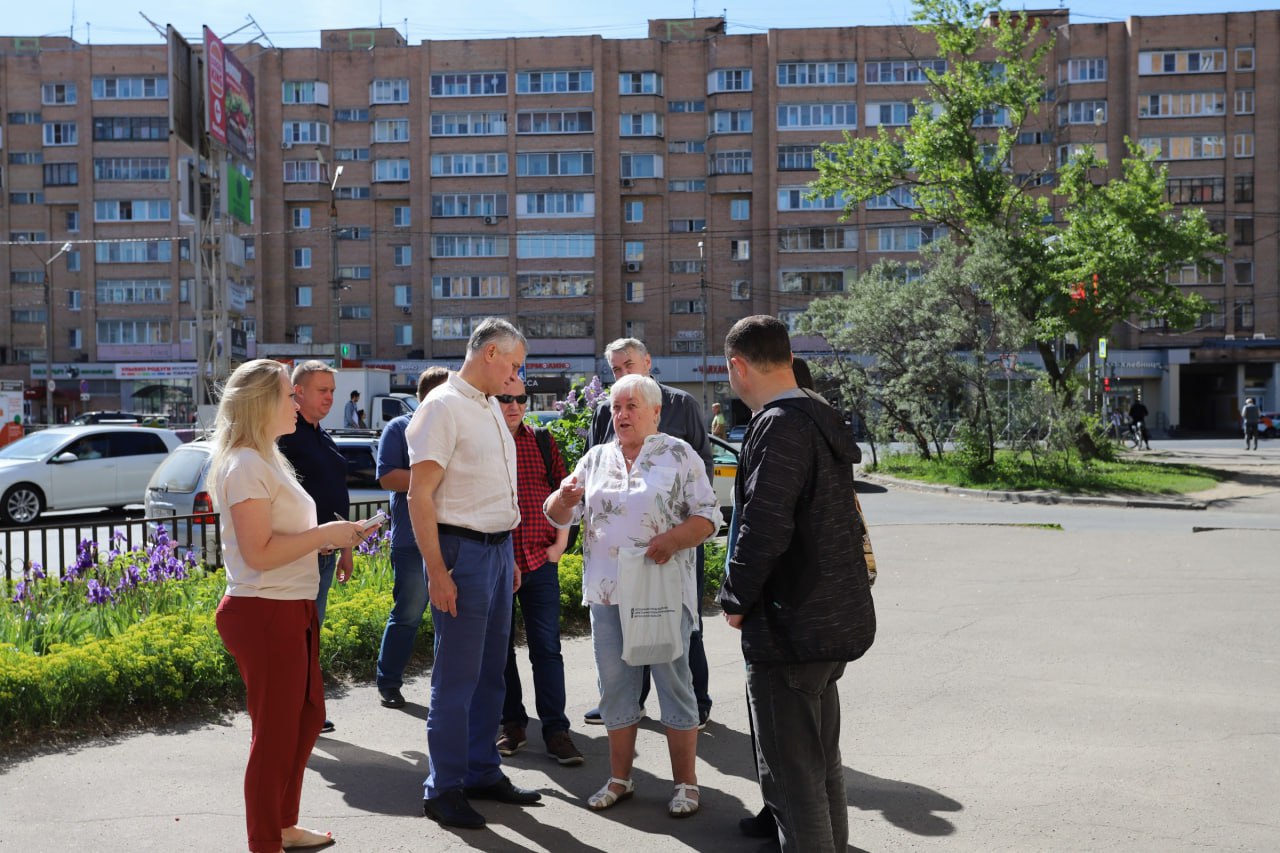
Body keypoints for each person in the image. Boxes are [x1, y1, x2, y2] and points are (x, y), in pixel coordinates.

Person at [719, 316, 876, 852]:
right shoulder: (819, 415)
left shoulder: (777, 423)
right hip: (831, 620)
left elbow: (764, 525)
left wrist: (735, 598)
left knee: (793, 780)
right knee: (821, 765)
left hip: (790, 630)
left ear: (739, 366)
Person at [209, 359, 378, 853]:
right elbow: (258, 552)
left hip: (289, 606)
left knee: (303, 720)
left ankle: (282, 825)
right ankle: (267, 841)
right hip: (264, 612)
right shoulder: (244, 464)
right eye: (288, 395)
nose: (296, 402)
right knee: (274, 737)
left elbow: (279, 539)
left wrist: (324, 541)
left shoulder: (265, 458)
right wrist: (324, 535)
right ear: (264, 403)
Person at [545, 373, 718, 817]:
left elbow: (708, 517)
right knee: (615, 690)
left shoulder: (679, 455)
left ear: (655, 412)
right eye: (615, 408)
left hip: (661, 590)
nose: (620, 415)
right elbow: (557, 512)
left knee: (674, 685)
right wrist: (563, 499)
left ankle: (686, 783)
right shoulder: (597, 457)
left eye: (631, 406)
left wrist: (674, 539)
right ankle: (620, 778)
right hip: (607, 593)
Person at [406, 318, 541, 830]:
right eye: (512, 363)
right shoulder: (441, 407)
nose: (515, 375)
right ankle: (442, 788)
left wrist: (505, 555)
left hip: (495, 551)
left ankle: (484, 772)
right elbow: (419, 497)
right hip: (461, 551)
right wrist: (437, 571)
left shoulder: (486, 405)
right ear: (489, 353)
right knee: (457, 678)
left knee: (490, 674)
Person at [584, 337, 715, 729]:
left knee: (681, 625)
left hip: (674, 542)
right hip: (619, 553)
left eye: (628, 365)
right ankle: (627, 703)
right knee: (624, 625)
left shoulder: (679, 404)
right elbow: (592, 470)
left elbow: (701, 470)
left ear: (648, 361)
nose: (622, 374)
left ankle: (694, 701)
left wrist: (681, 533)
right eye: (615, 369)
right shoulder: (605, 411)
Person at [495, 376, 583, 766]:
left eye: (519, 399)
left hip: (540, 561)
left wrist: (560, 545)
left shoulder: (543, 442)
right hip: (498, 564)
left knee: (547, 650)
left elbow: (566, 493)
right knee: (500, 652)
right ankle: (512, 725)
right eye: (504, 399)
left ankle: (556, 730)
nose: (513, 406)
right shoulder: (484, 443)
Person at [278, 361, 351, 735]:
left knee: (312, 635)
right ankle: (293, 712)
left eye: (333, 391)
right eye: (323, 390)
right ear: (299, 392)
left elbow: (335, 492)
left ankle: (308, 710)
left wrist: (347, 548)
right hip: (297, 557)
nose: (330, 398)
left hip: (324, 555)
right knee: (295, 639)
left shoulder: (323, 436)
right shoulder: (285, 439)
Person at [374, 367, 449, 709]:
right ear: (429, 397)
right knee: (408, 612)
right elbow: (387, 477)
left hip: (453, 538)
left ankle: (447, 687)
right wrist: (435, 478)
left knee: (450, 618)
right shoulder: (399, 428)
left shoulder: (453, 429)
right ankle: (388, 681)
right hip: (411, 541)